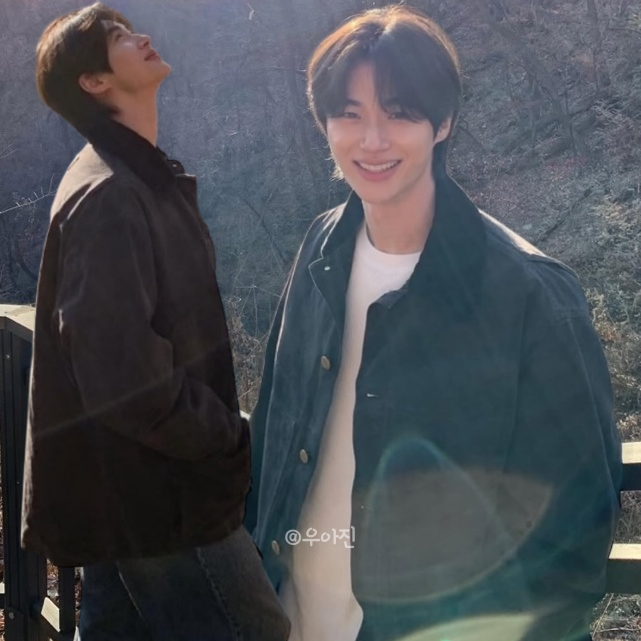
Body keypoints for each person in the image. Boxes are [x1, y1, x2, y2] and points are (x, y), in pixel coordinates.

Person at [244, 5, 622, 641]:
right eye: (350, 115)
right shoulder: (319, 251)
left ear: (442, 122)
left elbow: (575, 530)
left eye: (399, 113)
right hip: (289, 618)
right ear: (324, 123)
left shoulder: (528, 295)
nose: (372, 140)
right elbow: (273, 431)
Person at [22, 4, 290, 640]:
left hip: (126, 493)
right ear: (94, 81)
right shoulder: (110, 194)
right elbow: (122, 377)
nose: (141, 37)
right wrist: (228, 436)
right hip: (166, 497)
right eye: (118, 37)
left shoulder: (128, 176)